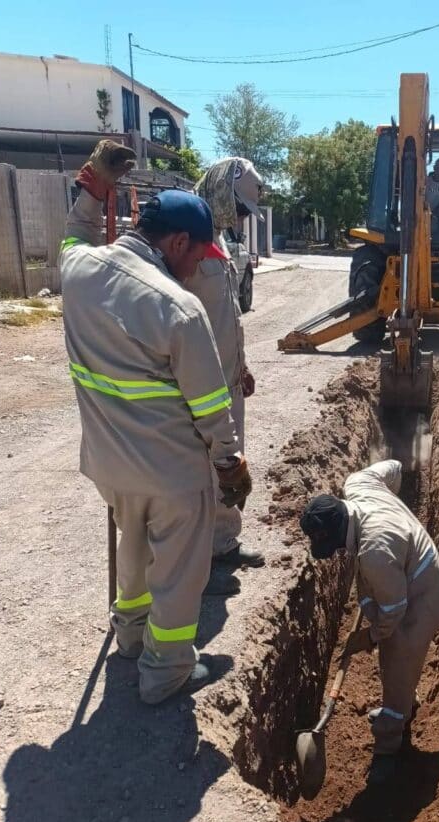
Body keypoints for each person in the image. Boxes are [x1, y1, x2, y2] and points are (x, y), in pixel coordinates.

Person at [61, 140, 251, 704]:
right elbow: (210, 404)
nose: (198, 266)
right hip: (172, 472)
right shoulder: (178, 308)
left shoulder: (79, 270)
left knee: (134, 550)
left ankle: (130, 637)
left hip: (109, 466)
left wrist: (92, 191)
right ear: (176, 242)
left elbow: (74, 235)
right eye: (197, 254)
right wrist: (230, 462)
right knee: (178, 573)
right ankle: (165, 670)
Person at [299, 460, 439, 785]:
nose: (338, 552)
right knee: (391, 648)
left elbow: (395, 609)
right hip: (403, 573)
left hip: (423, 596)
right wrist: (400, 517)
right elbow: (394, 468)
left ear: (342, 529)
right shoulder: (359, 484)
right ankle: (405, 701)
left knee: (396, 659)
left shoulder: (375, 550)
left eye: (335, 545)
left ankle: (388, 746)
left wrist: (369, 638)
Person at [192, 158, 266, 572]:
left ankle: (224, 543)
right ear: (222, 192)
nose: (241, 217)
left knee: (229, 466)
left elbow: (227, 317)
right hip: (201, 385)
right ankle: (204, 557)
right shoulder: (186, 244)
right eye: (238, 207)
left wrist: (242, 366)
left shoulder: (217, 243)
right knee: (207, 468)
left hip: (226, 381)